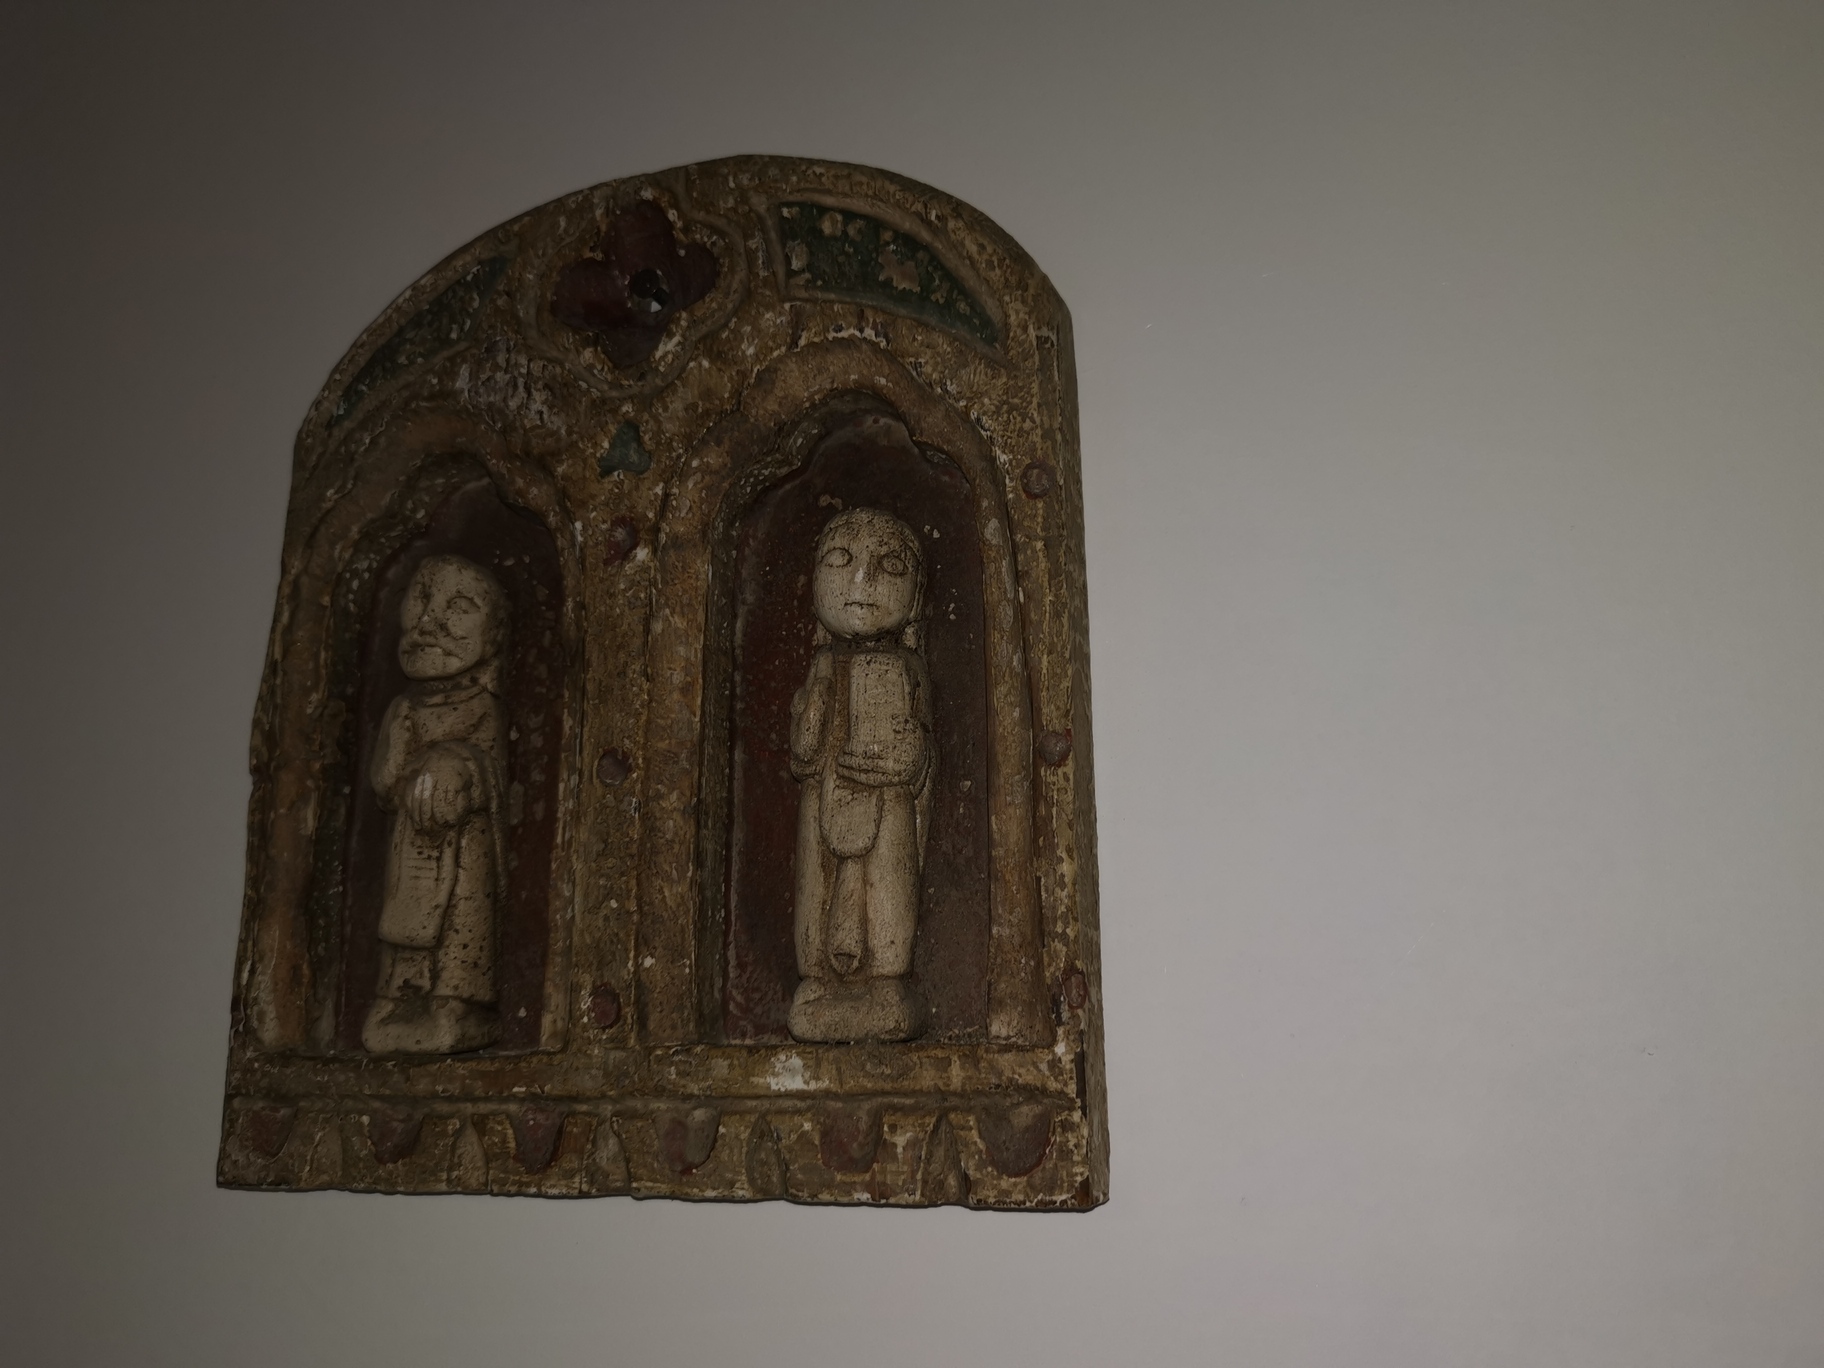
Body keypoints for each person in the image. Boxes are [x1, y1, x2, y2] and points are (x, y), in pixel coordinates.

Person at [787, 507, 932, 1041]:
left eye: (889, 566)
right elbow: (802, 753)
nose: (861, 581)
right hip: (824, 794)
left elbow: (922, 752)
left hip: (888, 800)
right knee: (815, 881)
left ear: (914, 596)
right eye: (840, 561)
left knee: (888, 876)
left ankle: (886, 982)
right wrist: (812, 718)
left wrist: (912, 758)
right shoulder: (821, 666)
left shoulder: (908, 669)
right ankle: (817, 979)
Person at [361, 554, 510, 1055]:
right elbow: (383, 784)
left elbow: (491, 777)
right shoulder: (404, 710)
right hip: (411, 846)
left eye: (459, 607)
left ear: (493, 636)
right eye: (421, 601)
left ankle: (456, 1001)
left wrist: (458, 766)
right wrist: (402, 761)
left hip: (465, 845)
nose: (429, 622)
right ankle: (396, 1000)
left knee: (463, 914)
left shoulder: (483, 707)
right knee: (403, 915)